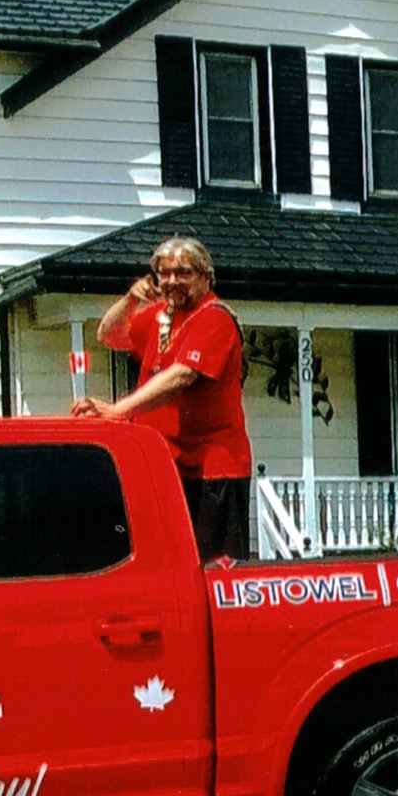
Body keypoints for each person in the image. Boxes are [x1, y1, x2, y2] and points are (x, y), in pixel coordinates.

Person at [74, 236, 250, 563]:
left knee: (211, 568)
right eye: (164, 274)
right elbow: (108, 335)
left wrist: (116, 411)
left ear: (205, 276)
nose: (172, 282)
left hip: (212, 470)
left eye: (183, 273)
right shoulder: (160, 317)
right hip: (167, 465)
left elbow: (182, 376)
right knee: (168, 564)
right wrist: (130, 299)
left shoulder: (215, 317)